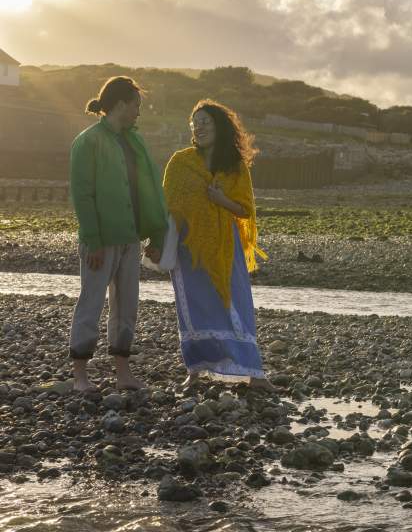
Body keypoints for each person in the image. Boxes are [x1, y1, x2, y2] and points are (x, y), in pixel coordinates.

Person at [161, 99, 273, 390]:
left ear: (220, 127)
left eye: (206, 123)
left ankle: (253, 372)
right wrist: (156, 241)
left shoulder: (234, 166)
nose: (199, 129)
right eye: (195, 124)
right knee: (193, 306)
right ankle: (195, 370)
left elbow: (245, 209)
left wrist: (220, 200)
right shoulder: (180, 162)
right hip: (190, 248)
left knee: (236, 303)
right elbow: (169, 206)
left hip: (226, 246)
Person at [69, 76, 167, 392]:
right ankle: (80, 377)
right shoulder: (88, 141)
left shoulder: (133, 140)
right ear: (122, 104)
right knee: (92, 303)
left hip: (130, 237)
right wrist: (93, 240)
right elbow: (82, 195)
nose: (139, 112)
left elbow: (148, 189)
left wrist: (156, 235)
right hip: (101, 239)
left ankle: (123, 374)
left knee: (127, 306)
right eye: (136, 105)